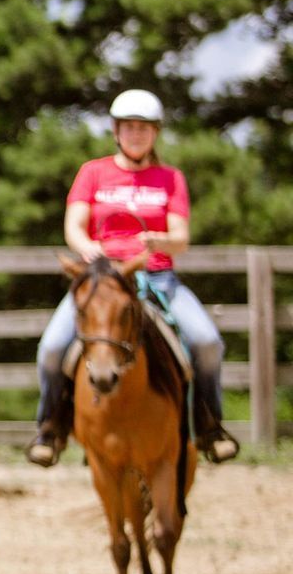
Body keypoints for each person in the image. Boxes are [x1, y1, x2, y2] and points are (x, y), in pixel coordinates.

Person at [27, 89, 237, 467]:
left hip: (157, 279)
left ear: (155, 133)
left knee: (207, 342)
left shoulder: (170, 179)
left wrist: (158, 240)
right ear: (116, 131)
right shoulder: (93, 172)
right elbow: (73, 226)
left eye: (143, 128)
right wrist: (87, 246)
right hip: (102, 283)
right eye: (128, 127)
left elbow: (181, 238)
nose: (136, 134)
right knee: (52, 349)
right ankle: (50, 428)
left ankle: (209, 425)